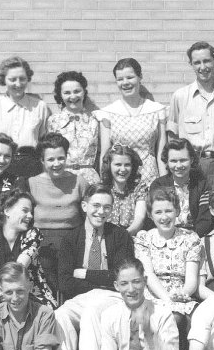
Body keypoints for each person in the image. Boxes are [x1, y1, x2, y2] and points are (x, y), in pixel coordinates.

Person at [54, 184, 134, 350]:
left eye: (107, 207)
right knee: (60, 315)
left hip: (112, 297)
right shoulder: (70, 238)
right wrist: (102, 280)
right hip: (81, 297)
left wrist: (84, 273)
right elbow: (65, 283)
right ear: (84, 206)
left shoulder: (120, 236)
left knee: (91, 312)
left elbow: (121, 277)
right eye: (96, 206)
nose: (101, 212)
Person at [134, 187, 202, 350]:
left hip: (182, 295)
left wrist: (181, 294)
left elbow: (191, 279)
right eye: (158, 212)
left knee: (196, 319)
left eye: (168, 211)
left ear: (177, 211)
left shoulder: (190, 238)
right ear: (150, 215)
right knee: (172, 317)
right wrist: (167, 299)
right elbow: (147, 275)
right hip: (154, 294)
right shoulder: (144, 239)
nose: (164, 217)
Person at [168, 41, 214, 188]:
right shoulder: (180, 96)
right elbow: (172, 138)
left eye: (207, 61)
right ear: (191, 64)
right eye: (197, 62)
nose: (202, 67)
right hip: (191, 165)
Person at [27, 132, 89, 291]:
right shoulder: (32, 183)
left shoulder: (79, 182)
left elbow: (88, 217)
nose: (57, 163)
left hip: (72, 240)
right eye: (50, 159)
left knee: (69, 285)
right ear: (42, 160)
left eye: (61, 158)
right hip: (41, 242)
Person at [0, 189, 57, 310]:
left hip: (32, 294)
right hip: (2, 295)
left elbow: (19, 268)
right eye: (25, 211)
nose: (30, 216)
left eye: (31, 212)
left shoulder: (33, 234)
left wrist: (9, 294)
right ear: (7, 211)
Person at [98, 58, 167, 187]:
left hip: (149, 177)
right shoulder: (108, 113)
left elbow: (161, 154)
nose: (125, 83)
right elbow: (105, 155)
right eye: (120, 79)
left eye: (130, 77)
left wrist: (164, 184)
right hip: (120, 179)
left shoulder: (157, 111)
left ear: (140, 77)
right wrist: (105, 185)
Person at [0, 56, 50, 179]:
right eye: (12, 79)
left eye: (22, 79)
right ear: (4, 80)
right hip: (1, 166)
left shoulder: (40, 107)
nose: (18, 84)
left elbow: (43, 142)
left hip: (31, 167)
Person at [148, 137, 213, 238]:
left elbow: (205, 219)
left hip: (195, 237)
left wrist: (191, 238)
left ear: (191, 160)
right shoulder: (158, 185)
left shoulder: (202, 185)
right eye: (173, 161)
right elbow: (155, 218)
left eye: (183, 160)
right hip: (165, 236)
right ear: (167, 162)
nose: (178, 166)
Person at [47, 71, 101, 184]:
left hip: (89, 180)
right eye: (67, 92)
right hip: (61, 178)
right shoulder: (53, 121)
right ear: (60, 95)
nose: (73, 96)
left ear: (84, 92)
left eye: (77, 91)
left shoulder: (95, 120)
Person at [102, 144, 147, 235]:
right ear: (109, 166)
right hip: (106, 236)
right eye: (118, 164)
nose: (123, 169)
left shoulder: (139, 188)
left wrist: (123, 236)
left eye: (127, 165)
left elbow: (139, 218)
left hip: (131, 236)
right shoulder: (102, 188)